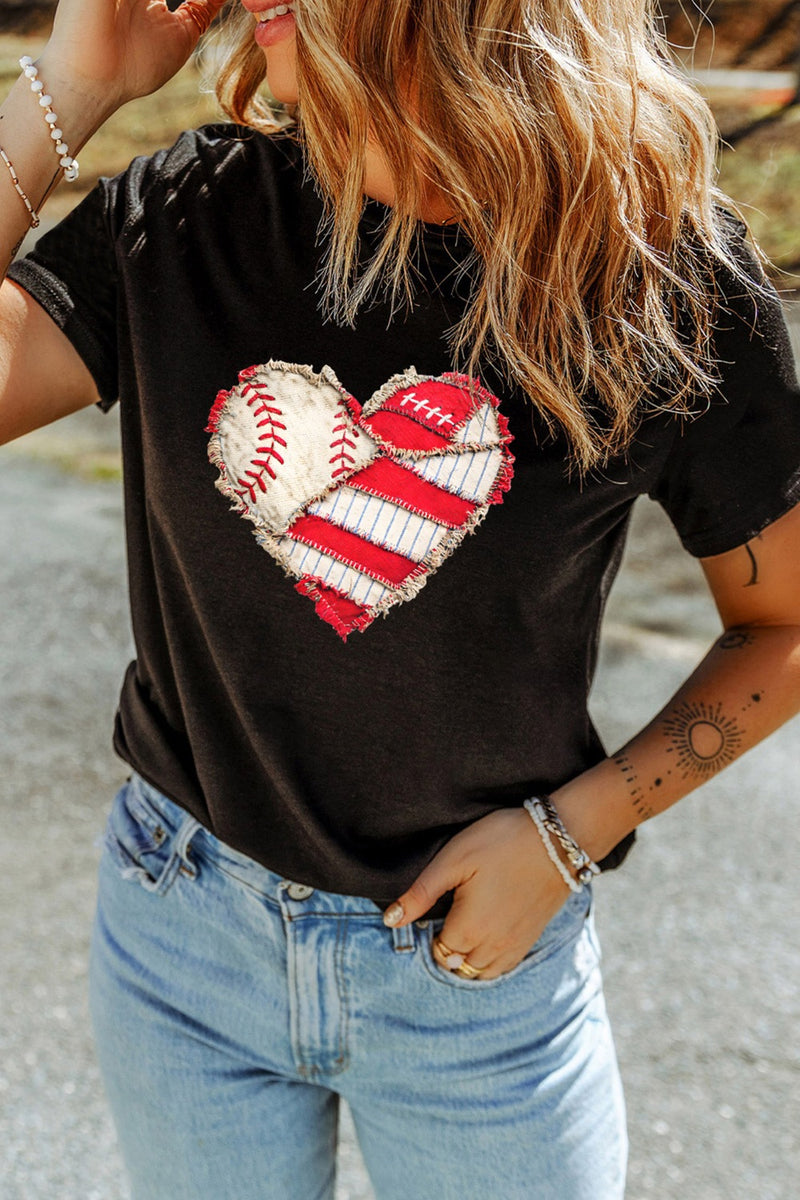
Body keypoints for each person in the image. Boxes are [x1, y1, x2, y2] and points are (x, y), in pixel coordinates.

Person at [1, 1, 798, 1196]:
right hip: (184, 942)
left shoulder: (660, 279)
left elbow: (783, 623)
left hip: (478, 982)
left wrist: (569, 832)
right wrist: (73, 80)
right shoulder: (196, 211)